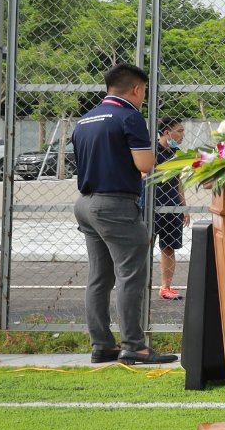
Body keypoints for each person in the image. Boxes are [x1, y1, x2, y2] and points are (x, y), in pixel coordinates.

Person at [72, 63, 167, 364]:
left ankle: (102, 345)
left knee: (99, 277)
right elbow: (145, 164)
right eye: (144, 92)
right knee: (130, 275)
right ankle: (134, 345)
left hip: (86, 203)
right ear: (136, 89)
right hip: (115, 206)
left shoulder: (85, 120)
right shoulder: (129, 116)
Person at [151, 117, 186, 302]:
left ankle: (166, 287)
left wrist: (184, 207)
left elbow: (179, 182)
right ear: (166, 132)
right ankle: (140, 285)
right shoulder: (151, 151)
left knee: (169, 247)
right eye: (179, 131)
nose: (182, 135)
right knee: (144, 246)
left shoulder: (177, 153)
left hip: (172, 205)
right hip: (151, 206)